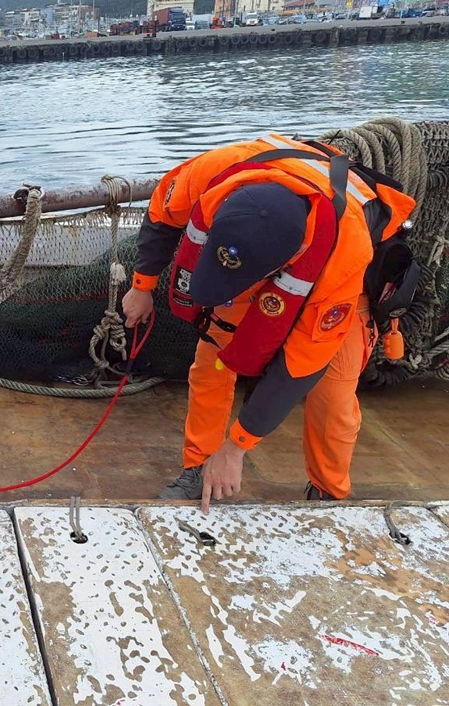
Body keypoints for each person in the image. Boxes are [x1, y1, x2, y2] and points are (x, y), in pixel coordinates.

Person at [121, 132, 416, 513]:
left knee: (334, 393)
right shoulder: (213, 171)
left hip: (344, 271)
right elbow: (163, 213)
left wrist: (237, 446)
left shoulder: (346, 253)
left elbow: (299, 367)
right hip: (274, 238)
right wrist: (142, 286)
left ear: (282, 267)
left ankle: (328, 493)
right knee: (211, 360)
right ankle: (197, 469)